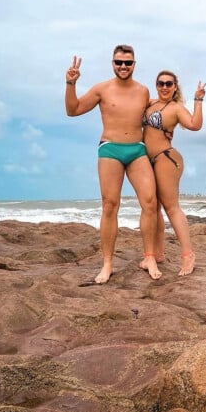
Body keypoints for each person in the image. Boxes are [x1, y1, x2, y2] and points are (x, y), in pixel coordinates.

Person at [65, 45, 161, 282]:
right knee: (110, 205)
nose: (123, 67)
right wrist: (70, 84)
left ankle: (149, 256)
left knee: (150, 201)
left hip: (137, 150)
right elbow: (73, 110)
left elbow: (160, 114)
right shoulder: (102, 89)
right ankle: (107, 263)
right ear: (113, 63)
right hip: (110, 149)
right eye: (119, 62)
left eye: (127, 63)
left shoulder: (143, 91)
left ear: (134, 64)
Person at [143, 70, 206, 276]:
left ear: (175, 86)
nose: (164, 87)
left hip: (166, 158)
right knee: (153, 207)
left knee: (171, 208)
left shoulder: (176, 108)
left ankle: (188, 255)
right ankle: (157, 254)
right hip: (147, 160)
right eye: (160, 83)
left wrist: (198, 100)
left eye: (169, 84)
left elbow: (195, 125)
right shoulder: (150, 104)